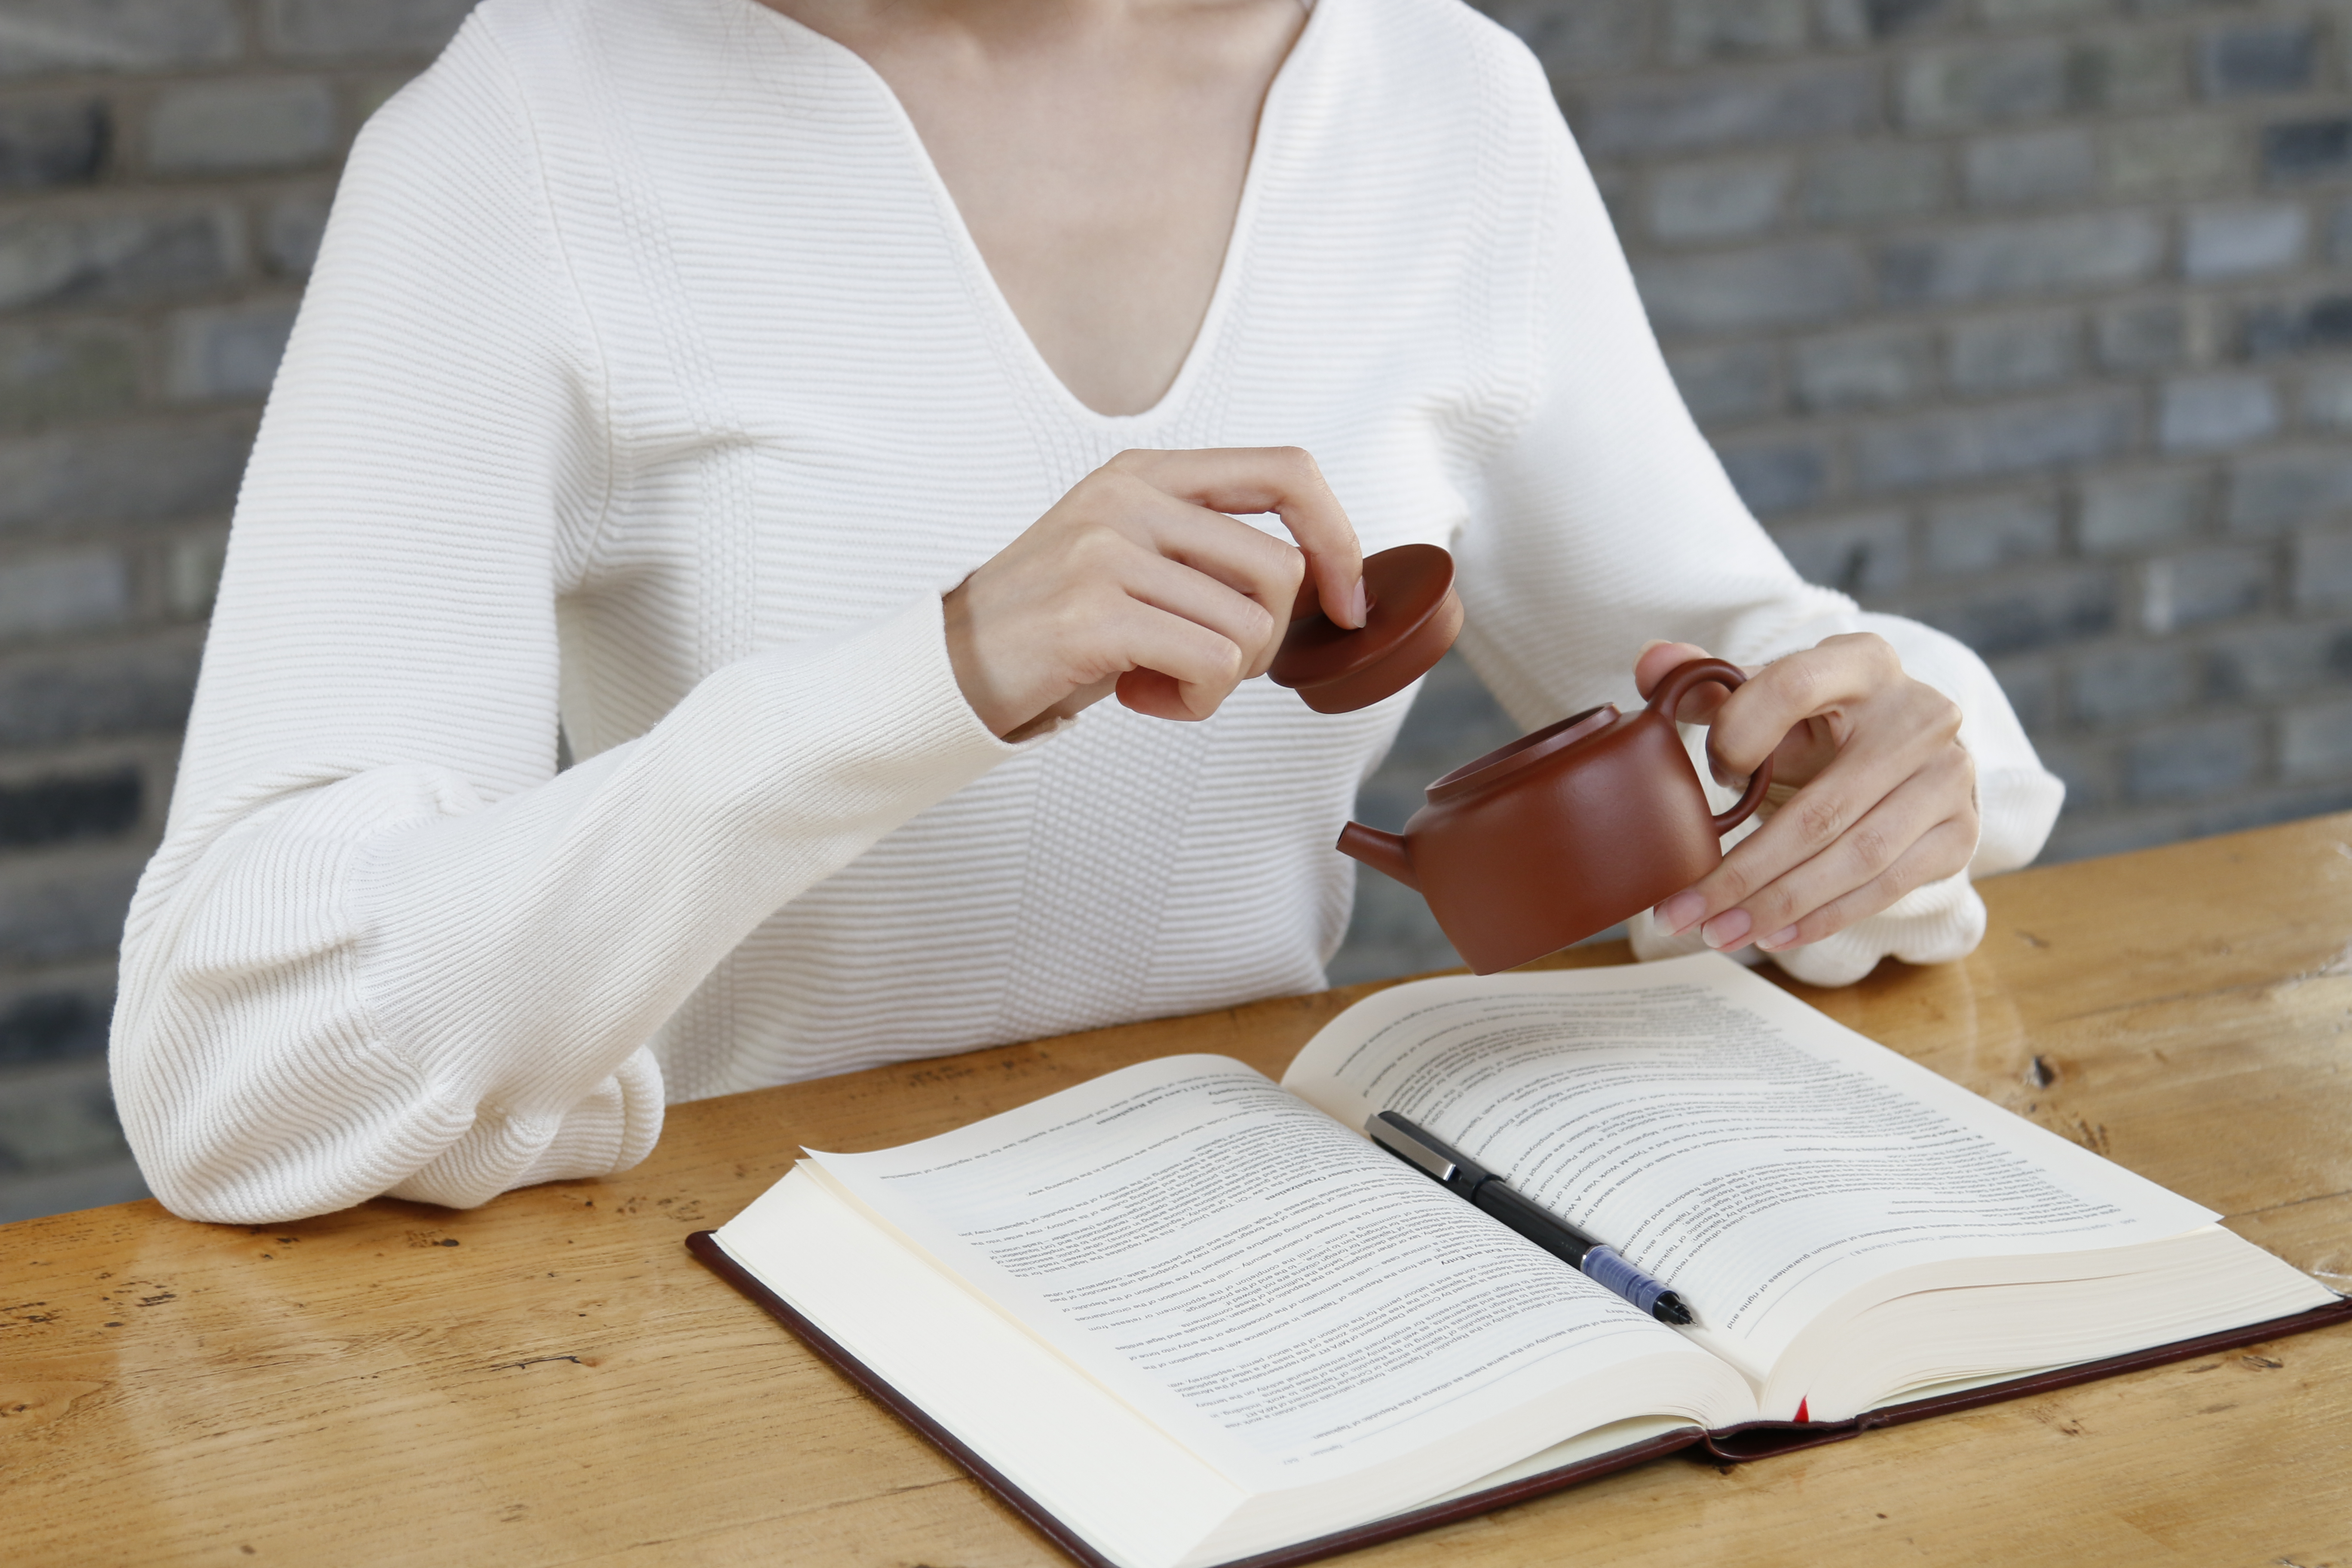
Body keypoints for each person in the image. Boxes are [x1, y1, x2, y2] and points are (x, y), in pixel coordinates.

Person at [112, 0, 2061, 1224]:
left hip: (1303, 1264)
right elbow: (232, 1051)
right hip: (746, 1305)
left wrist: (1892, 754)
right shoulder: (528, 138)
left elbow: (1748, 660)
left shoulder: (1442, 98)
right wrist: (939, 675)